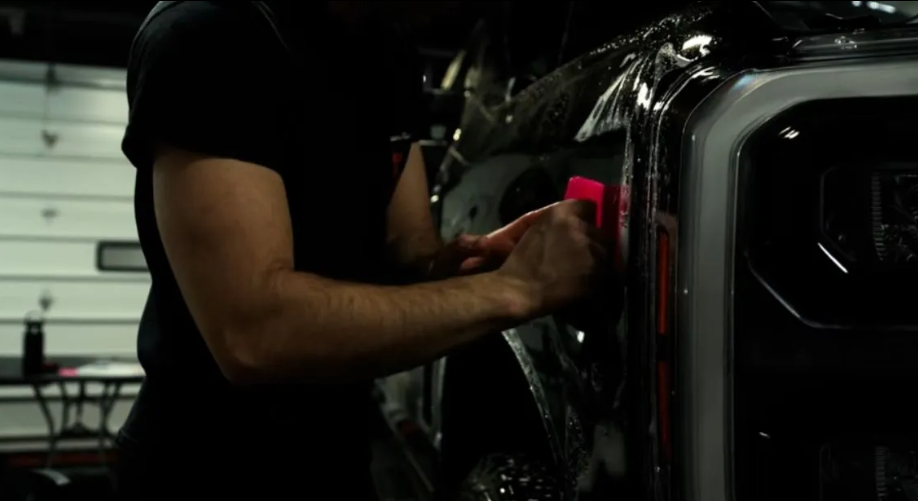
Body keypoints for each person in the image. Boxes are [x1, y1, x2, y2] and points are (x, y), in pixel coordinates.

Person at [116, 2, 606, 499]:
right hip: (203, 472)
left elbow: (408, 249)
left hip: (336, 459)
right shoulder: (210, 33)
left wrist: (472, 262)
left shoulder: (385, 51)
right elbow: (255, 333)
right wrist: (516, 289)